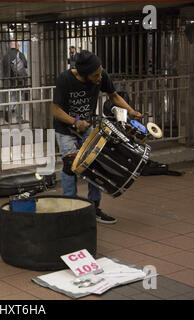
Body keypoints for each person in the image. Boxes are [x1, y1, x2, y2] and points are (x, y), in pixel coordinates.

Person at [51, 50, 142, 224]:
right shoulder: (65, 79)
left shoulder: (101, 75)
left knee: (95, 165)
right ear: (84, 75)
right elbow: (55, 110)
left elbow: (113, 96)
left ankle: (94, 207)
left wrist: (131, 111)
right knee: (71, 166)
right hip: (65, 130)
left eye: (100, 72)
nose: (100, 77)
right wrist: (75, 121)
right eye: (95, 75)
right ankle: (70, 208)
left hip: (86, 129)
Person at [2, 41, 28, 121]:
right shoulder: (19, 54)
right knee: (20, 98)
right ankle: (18, 117)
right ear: (17, 46)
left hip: (8, 81)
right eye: (19, 46)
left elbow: (4, 68)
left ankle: (8, 109)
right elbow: (25, 64)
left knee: (13, 96)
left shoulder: (5, 56)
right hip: (19, 80)